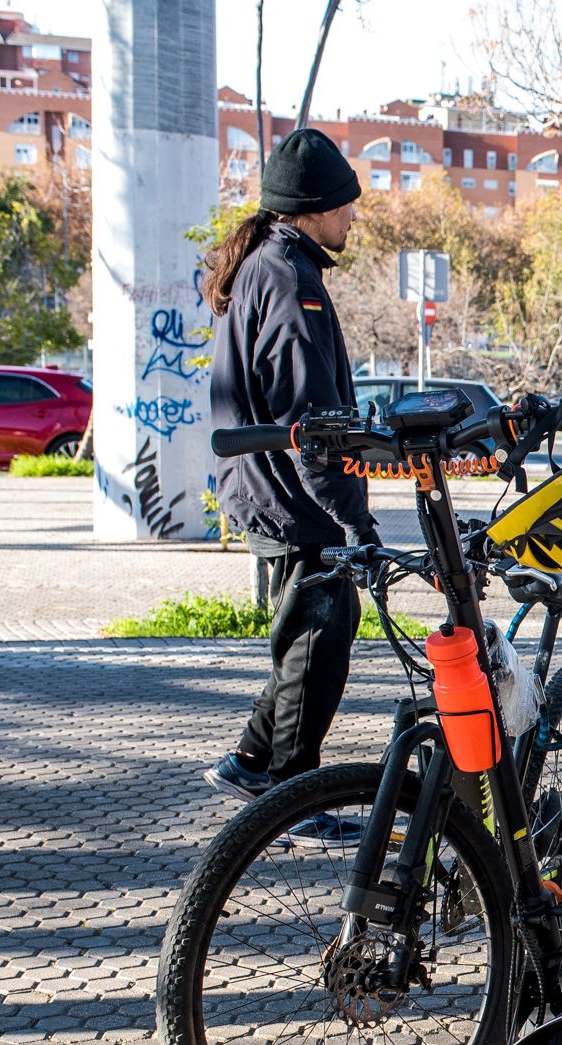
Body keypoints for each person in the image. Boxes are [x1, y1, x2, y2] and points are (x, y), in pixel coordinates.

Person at [200, 128, 378, 808]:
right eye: (345, 205)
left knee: (309, 631)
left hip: (272, 491)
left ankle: (251, 759)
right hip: (292, 499)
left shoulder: (270, 265)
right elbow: (314, 422)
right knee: (318, 641)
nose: (351, 217)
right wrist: (352, 518)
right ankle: (292, 795)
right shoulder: (287, 277)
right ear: (313, 206)